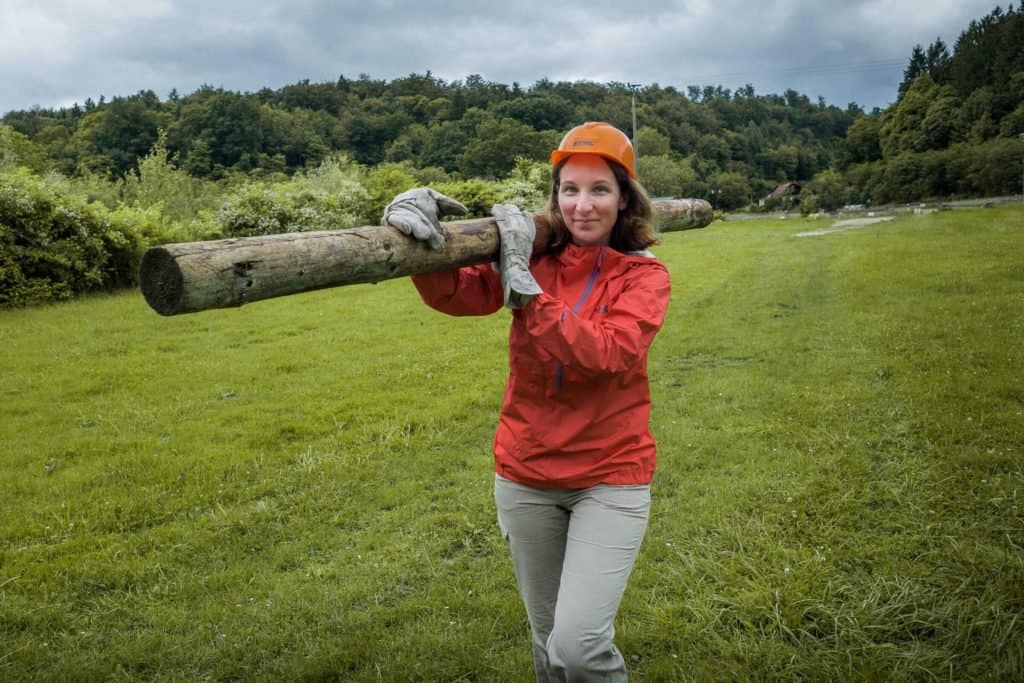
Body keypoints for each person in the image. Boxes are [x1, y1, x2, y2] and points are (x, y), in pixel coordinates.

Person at [382, 121, 671, 682]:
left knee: (580, 648)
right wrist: (417, 243)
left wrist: (526, 292)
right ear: (555, 196)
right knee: (548, 645)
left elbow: (608, 352)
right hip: (526, 475)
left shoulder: (644, 277)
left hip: (610, 476)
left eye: (599, 190)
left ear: (624, 200)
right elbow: (459, 293)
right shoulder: (533, 258)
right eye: (569, 189)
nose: (582, 205)